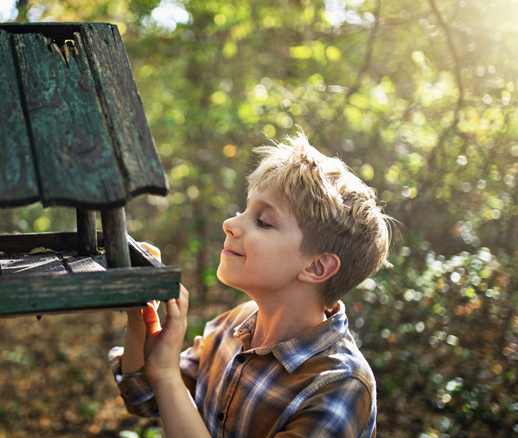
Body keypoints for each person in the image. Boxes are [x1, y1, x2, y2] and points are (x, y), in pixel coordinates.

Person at [109, 131, 392, 437]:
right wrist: (140, 320)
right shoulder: (232, 326)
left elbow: (165, 384)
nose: (230, 224)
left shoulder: (338, 387)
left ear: (316, 266)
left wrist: (166, 375)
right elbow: (146, 399)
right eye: (244, 209)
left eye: (263, 221)